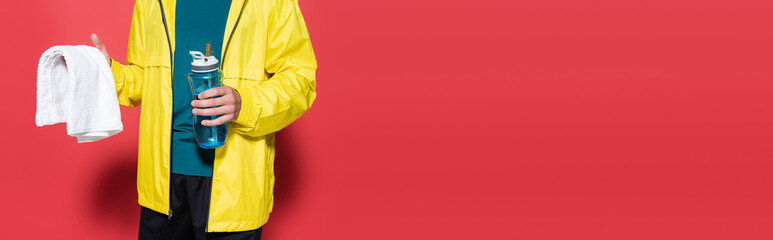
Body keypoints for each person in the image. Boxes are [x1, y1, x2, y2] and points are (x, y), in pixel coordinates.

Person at [90, 0, 317, 238]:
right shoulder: (150, 2)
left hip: (233, 189)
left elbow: (300, 81)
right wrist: (107, 72)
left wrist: (245, 103)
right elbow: (146, 78)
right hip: (161, 182)